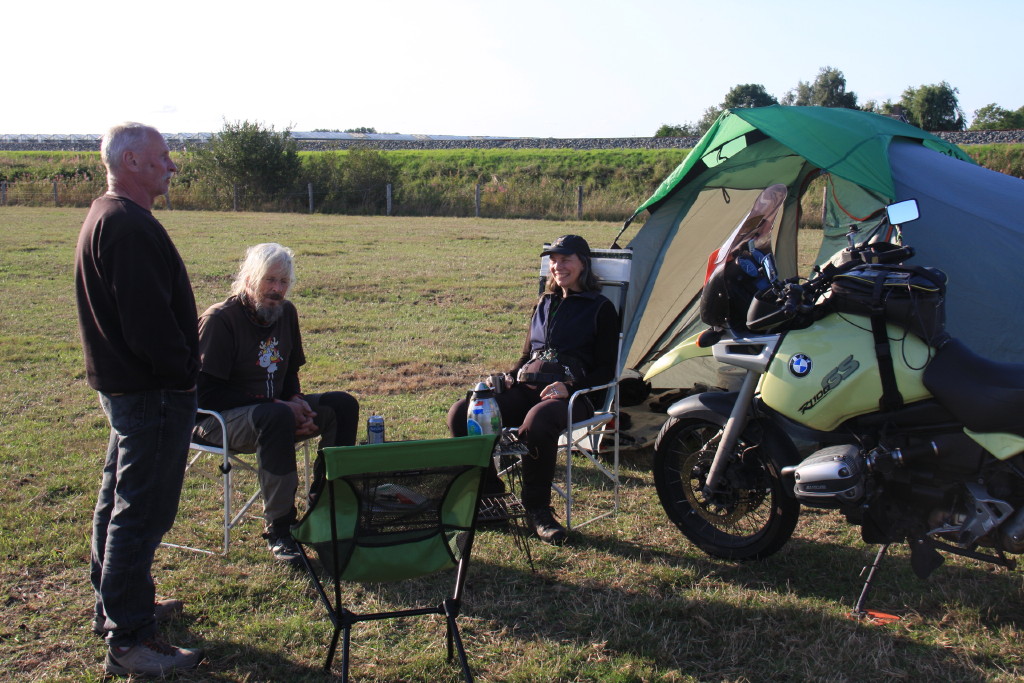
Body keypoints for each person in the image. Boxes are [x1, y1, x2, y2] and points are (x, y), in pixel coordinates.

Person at [75, 122, 203, 675]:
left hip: (129, 388)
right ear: (130, 161)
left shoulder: (110, 216)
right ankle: (129, 639)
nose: (171, 166)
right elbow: (148, 324)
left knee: (118, 501)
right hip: (151, 392)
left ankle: (117, 605)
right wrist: (183, 376)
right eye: (163, 156)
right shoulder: (127, 226)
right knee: (141, 512)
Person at [194, 242, 360, 563]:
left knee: (342, 405)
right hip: (216, 421)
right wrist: (281, 407)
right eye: (269, 280)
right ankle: (280, 531)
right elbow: (205, 395)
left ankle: (325, 507)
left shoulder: (286, 313)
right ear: (249, 279)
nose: (277, 289)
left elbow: (289, 371)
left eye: (284, 282)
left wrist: (296, 400)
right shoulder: (220, 319)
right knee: (276, 417)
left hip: (274, 413)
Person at [447, 235, 618, 544]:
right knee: (463, 412)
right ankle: (491, 498)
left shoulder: (600, 308)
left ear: (583, 263)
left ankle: (537, 511)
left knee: (539, 420)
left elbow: (607, 369)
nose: (558, 266)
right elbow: (527, 356)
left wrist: (570, 387)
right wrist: (508, 377)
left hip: (574, 396)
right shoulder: (544, 303)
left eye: (566, 259)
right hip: (526, 388)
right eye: (554, 260)